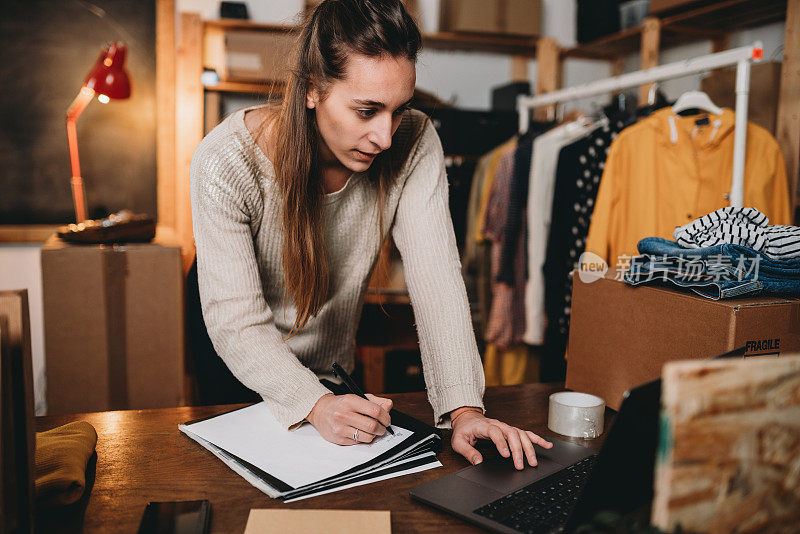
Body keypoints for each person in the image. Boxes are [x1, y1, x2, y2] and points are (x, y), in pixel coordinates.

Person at [190, 0, 551, 470]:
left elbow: (437, 279)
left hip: (329, 361)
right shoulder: (225, 161)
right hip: (239, 359)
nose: (385, 136)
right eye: (367, 111)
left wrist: (464, 408)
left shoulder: (414, 141)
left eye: (400, 109)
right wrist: (311, 404)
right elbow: (237, 323)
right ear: (312, 90)